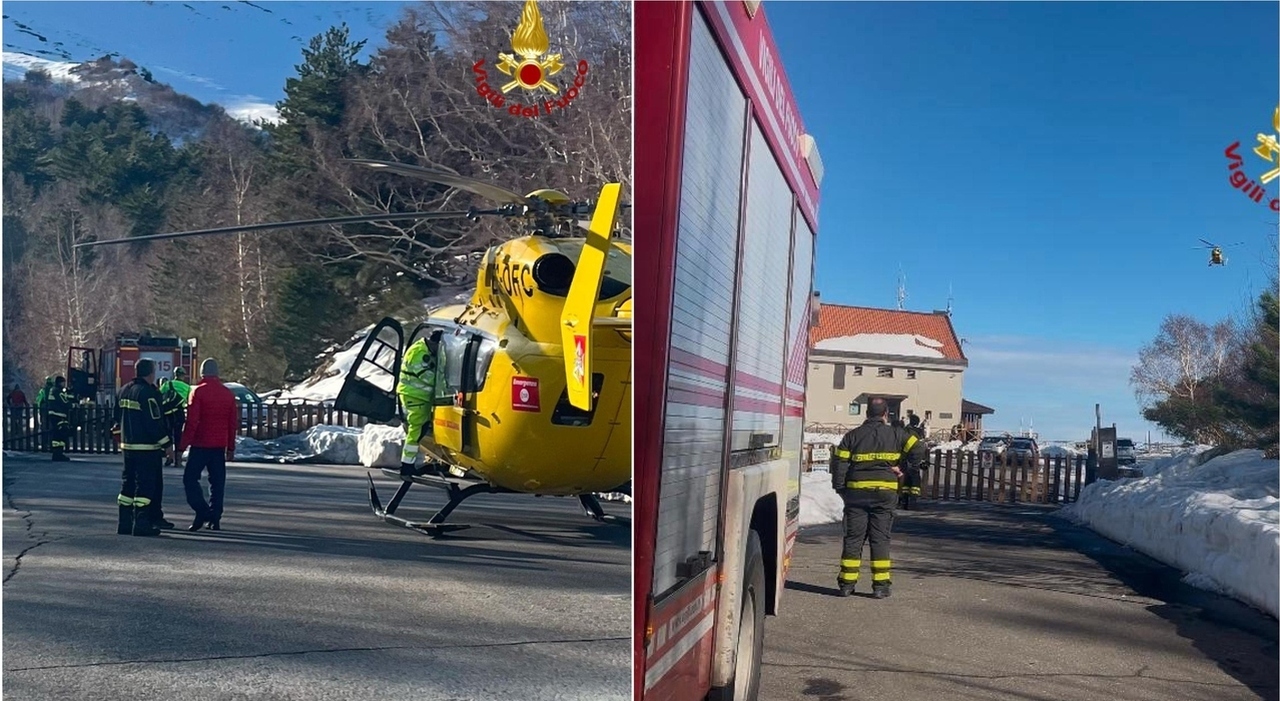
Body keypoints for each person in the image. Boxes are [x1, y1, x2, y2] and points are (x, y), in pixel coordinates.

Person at [830, 397, 927, 599]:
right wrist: (903, 468)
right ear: (885, 414)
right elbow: (918, 448)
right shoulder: (897, 434)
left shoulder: (852, 436)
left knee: (853, 539)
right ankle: (880, 586)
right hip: (885, 494)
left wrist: (841, 489)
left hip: (856, 494)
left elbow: (839, 463)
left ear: (866, 414)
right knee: (880, 539)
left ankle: (846, 585)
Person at [113, 359, 173, 537]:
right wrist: (167, 445)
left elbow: (117, 418)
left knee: (128, 485)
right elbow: (154, 422)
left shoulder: (123, 390)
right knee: (145, 487)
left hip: (128, 447)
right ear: (151, 373)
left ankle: (124, 523)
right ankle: (141, 524)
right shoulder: (148, 393)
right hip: (147, 448)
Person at [178, 358, 238, 531]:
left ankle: (202, 510)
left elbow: (192, 422)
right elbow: (232, 424)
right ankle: (215, 517)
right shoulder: (227, 394)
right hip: (219, 445)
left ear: (202, 373)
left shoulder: (198, 392)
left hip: (200, 444)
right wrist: (231, 447)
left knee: (190, 479)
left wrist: (182, 445)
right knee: (217, 482)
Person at [397, 331, 445, 478]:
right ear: (434, 344)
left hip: (419, 397)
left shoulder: (423, 349)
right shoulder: (419, 353)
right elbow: (427, 377)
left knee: (421, 427)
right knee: (417, 429)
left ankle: (409, 463)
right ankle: (407, 466)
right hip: (415, 396)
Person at [159, 367, 191, 468]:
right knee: (178, 436)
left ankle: (169, 456)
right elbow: (189, 401)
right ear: (183, 375)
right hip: (179, 413)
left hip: (167, 413)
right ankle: (178, 460)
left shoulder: (168, 384)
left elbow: (159, 395)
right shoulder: (187, 387)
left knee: (168, 435)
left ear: (174, 374)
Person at [899, 414, 928, 510]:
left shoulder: (906, 430)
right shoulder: (918, 431)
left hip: (906, 455)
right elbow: (921, 445)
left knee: (907, 478)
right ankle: (913, 502)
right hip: (915, 455)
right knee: (915, 478)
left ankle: (905, 501)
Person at [45, 377, 73, 462]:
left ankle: (57, 453)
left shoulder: (53, 390)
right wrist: (73, 404)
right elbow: (64, 402)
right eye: (63, 383)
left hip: (55, 415)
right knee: (61, 433)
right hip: (58, 415)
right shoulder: (57, 391)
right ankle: (58, 454)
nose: (64, 385)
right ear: (59, 383)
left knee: (58, 434)